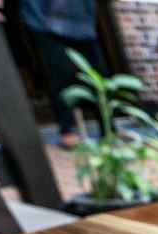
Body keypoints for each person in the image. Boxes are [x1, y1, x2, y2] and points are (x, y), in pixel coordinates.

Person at [18, 0, 105, 149]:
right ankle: (67, 130)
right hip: (45, 21)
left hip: (82, 20)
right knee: (61, 76)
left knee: (98, 75)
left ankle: (108, 128)